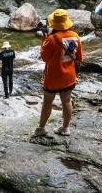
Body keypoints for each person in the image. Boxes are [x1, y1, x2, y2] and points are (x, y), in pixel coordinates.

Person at [35, 9, 83, 137]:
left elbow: (45, 58)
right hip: (69, 76)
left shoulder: (51, 39)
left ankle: (41, 129)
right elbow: (79, 57)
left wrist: (43, 41)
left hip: (53, 77)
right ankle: (65, 128)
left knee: (47, 102)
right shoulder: (75, 36)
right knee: (67, 101)